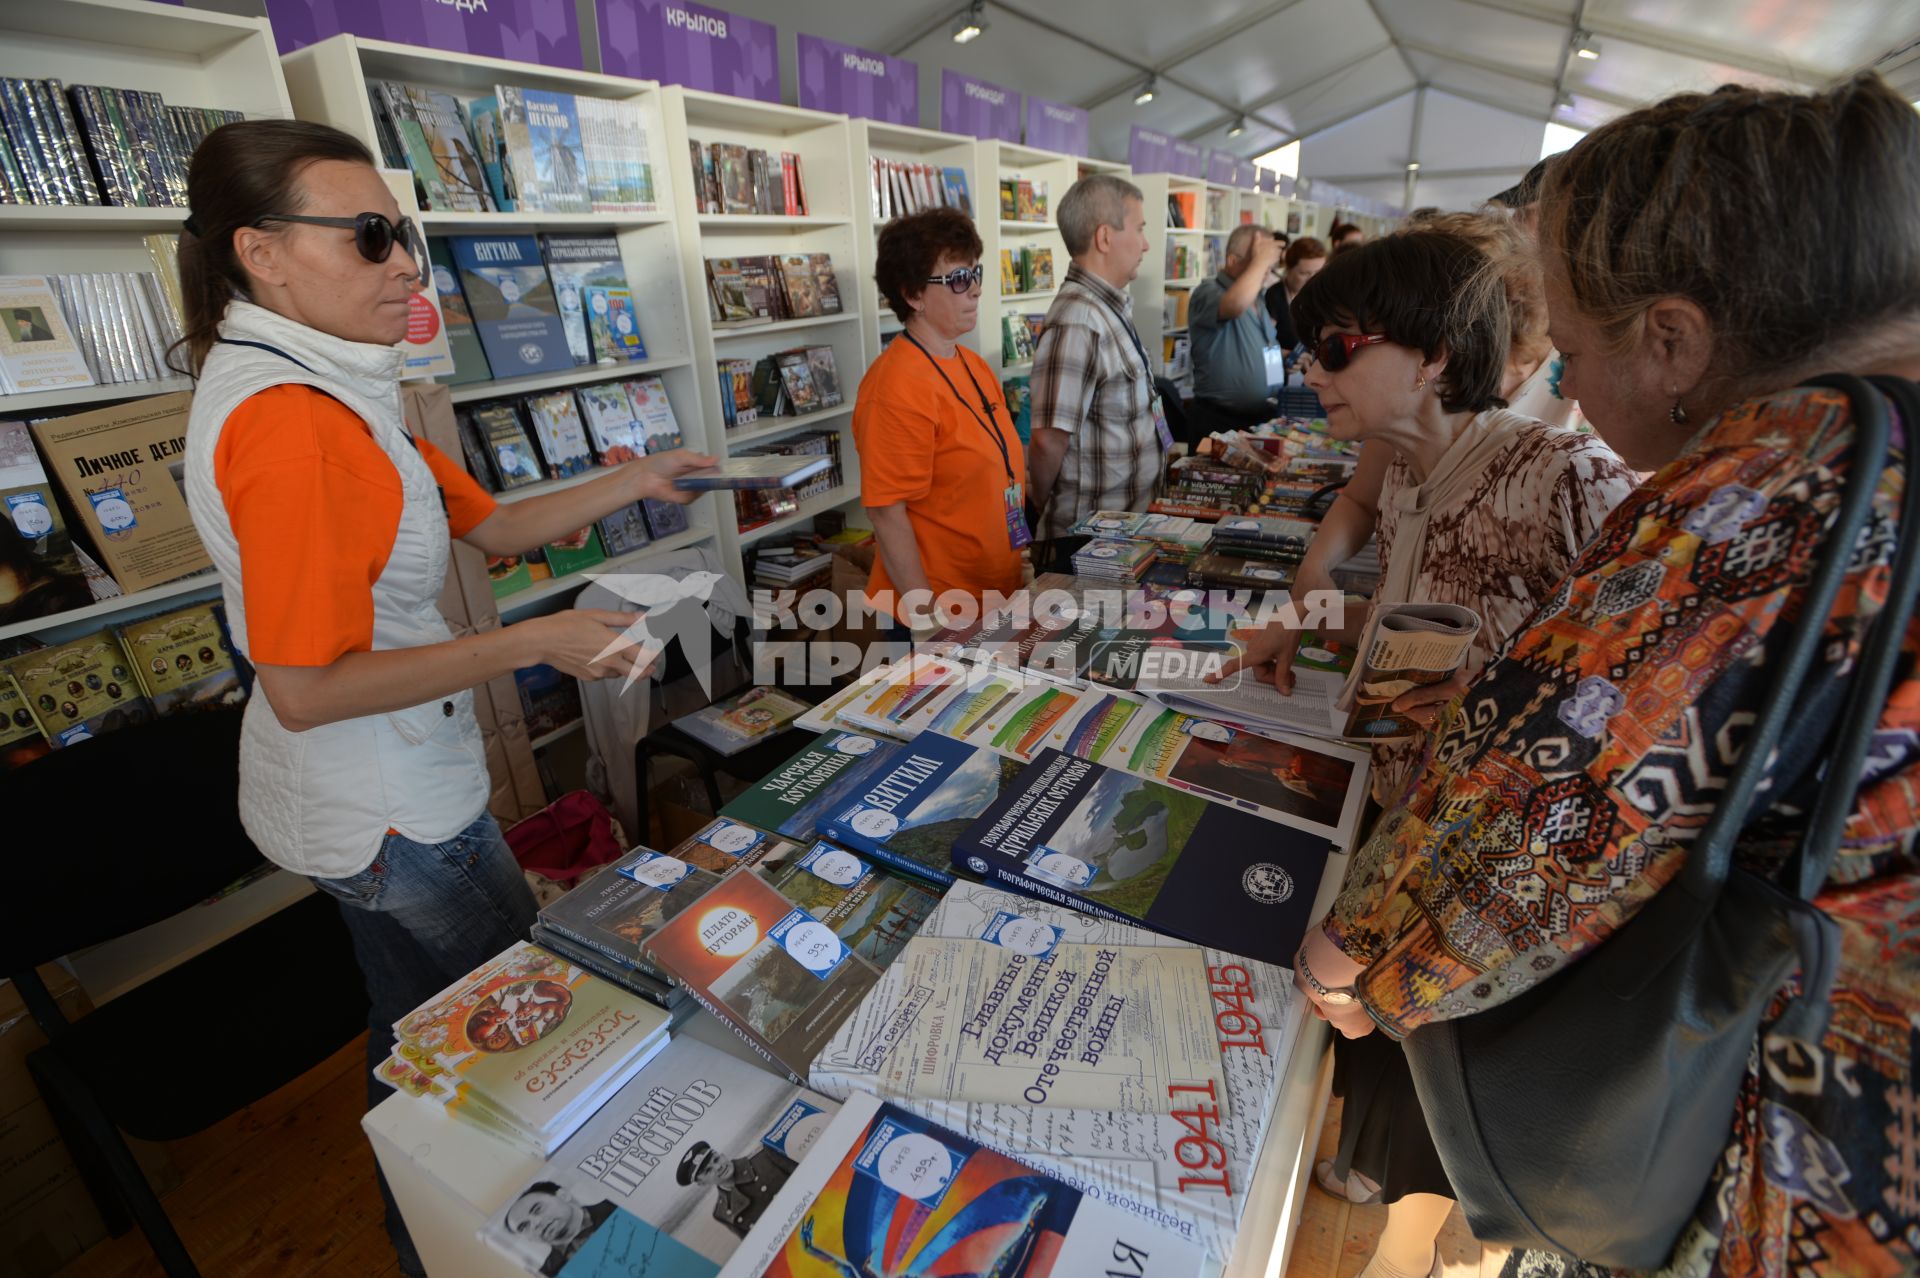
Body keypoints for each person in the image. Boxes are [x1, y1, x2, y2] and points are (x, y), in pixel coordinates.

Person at [1291, 73, 1920, 1278]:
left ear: (1676, 340)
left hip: (1798, 1132)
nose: (1565, 389)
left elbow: (1574, 794)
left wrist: (1366, 946)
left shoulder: (1780, 485)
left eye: (1573, 356)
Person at [175, 119, 711, 1275]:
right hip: (391, 809)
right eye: (372, 238)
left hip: (372, 798)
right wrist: (536, 641)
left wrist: (641, 475)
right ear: (260, 253)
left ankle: (417, 1237)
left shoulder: (333, 387)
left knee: (410, 1036)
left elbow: (494, 520)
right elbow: (308, 686)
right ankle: (518, 1245)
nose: (408, 265)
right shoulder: (291, 421)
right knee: (526, 1039)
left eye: (405, 233)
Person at [1214, 224, 1639, 1278]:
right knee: (1407, 1092)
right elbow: (1431, 627)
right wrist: (1310, 630)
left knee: (1460, 1150)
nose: (1311, 372)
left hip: (1471, 890)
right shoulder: (1410, 468)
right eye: (1308, 351)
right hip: (1405, 847)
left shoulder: (1561, 480)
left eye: (1337, 347)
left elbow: (1602, 739)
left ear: (1436, 352)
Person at [853, 207, 1024, 637]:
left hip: (992, 599)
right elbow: (887, 516)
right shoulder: (895, 386)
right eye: (958, 280)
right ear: (913, 294)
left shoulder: (971, 363)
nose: (976, 290)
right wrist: (927, 624)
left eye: (975, 273)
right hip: (937, 615)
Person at [1028, 174, 1165, 572]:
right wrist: (1038, 504)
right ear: (1105, 237)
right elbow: (1047, 441)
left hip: (1118, 533)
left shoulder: (1106, 308)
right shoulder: (1079, 320)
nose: (1145, 243)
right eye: (1138, 229)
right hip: (1087, 543)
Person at [1187, 224, 1282, 432]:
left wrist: (1280, 370)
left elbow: (1267, 344)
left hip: (1263, 416)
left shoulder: (1258, 297)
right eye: (1258, 260)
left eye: (1267, 263)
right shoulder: (1207, 292)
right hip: (1220, 421)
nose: (1266, 271)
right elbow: (1234, 306)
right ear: (1232, 261)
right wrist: (1262, 260)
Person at [676, 1138, 797, 1237]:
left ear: (722, 1155)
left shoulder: (765, 1155)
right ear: (702, 1184)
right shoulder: (721, 1213)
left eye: (716, 1159)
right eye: (708, 1171)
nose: (718, 1167)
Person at [501, 1182, 617, 1276]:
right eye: (524, 1226)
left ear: (563, 1195)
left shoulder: (616, 1206)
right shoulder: (548, 1273)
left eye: (537, 1209)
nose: (535, 1223)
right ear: (528, 1239)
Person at [1264, 236, 1328, 355]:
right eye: (1304, 273)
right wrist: (1287, 356)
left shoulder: (1323, 297)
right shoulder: (1274, 296)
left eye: (1318, 273)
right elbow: (1265, 344)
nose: (1312, 280)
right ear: (1288, 268)